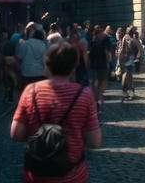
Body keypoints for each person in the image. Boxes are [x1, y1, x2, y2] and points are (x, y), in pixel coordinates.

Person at [10, 42, 101, 182]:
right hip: (72, 175)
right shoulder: (85, 95)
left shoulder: (31, 91)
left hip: (36, 174)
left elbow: (16, 134)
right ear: (73, 67)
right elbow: (94, 142)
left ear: (47, 64)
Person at [17, 25, 49, 95]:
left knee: (26, 93)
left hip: (26, 73)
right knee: (38, 94)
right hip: (40, 73)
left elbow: (19, 57)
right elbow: (45, 60)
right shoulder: (43, 45)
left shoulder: (25, 44)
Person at [87, 24, 109, 111]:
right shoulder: (105, 39)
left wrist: (88, 65)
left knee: (93, 86)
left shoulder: (92, 40)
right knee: (101, 87)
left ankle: (95, 104)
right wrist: (108, 62)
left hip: (93, 66)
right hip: (102, 65)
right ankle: (100, 105)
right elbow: (107, 53)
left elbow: (88, 53)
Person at [117, 27, 141, 101]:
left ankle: (127, 92)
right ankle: (127, 92)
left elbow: (122, 50)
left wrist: (119, 59)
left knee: (127, 75)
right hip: (130, 59)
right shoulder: (131, 39)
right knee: (128, 75)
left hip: (127, 59)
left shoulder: (127, 38)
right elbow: (138, 49)